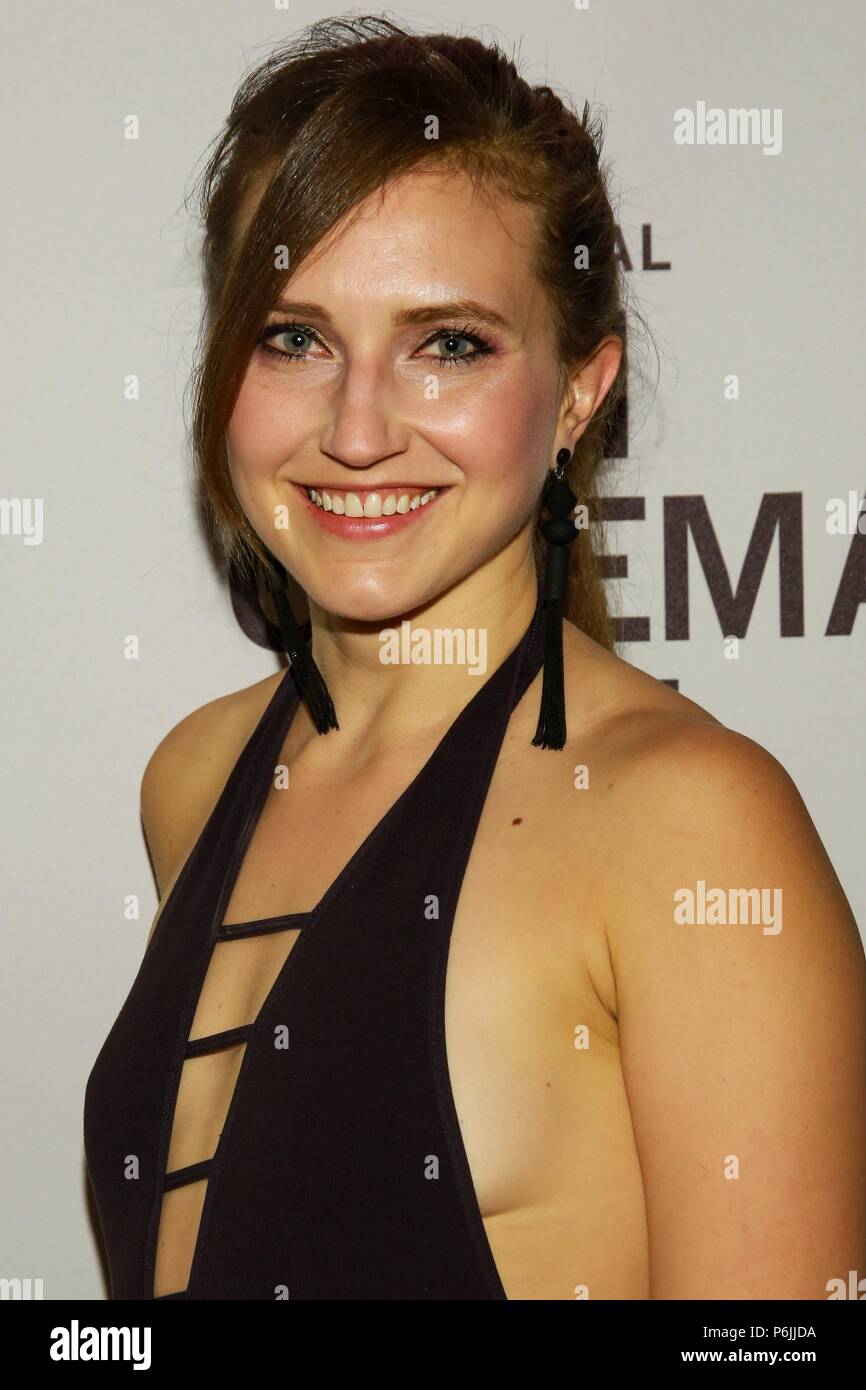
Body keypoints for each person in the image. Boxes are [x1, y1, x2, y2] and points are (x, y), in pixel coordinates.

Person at [83, 14, 866, 1301]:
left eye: (448, 343)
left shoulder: (690, 830)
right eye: (294, 336)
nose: (356, 427)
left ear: (575, 393)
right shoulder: (196, 775)